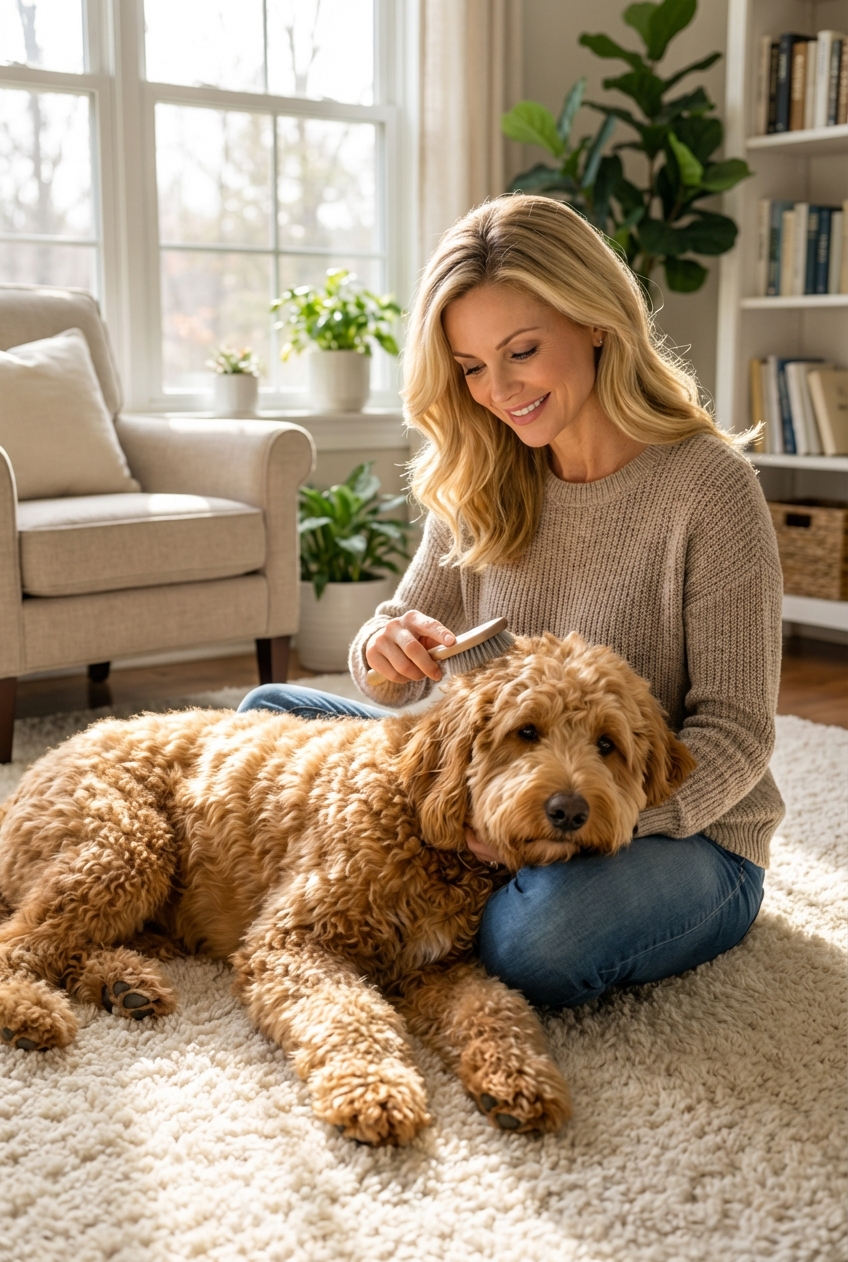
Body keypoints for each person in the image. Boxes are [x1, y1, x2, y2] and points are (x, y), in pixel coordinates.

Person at [239, 195, 783, 1009]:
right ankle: (448, 882)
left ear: (597, 321)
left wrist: (608, 811)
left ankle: (460, 897)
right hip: (497, 788)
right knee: (269, 711)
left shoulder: (709, 488)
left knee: (534, 942)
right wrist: (386, 649)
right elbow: (398, 674)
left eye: (521, 351)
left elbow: (737, 734)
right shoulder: (485, 470)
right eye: (471, 368)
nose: (499, 390)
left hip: (675, 830)